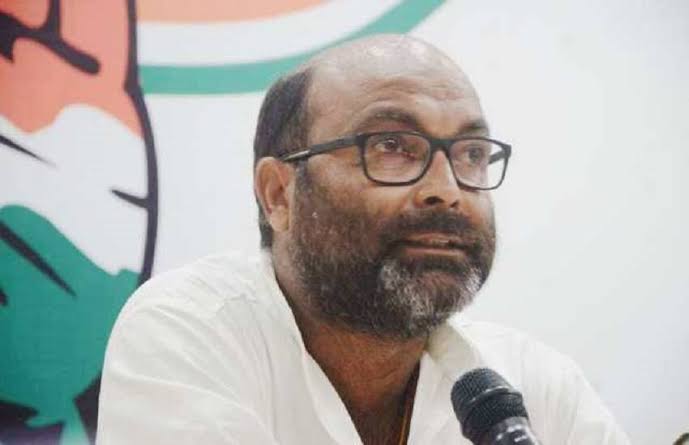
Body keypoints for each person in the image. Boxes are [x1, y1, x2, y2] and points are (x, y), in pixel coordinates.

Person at [97, 34, 629, 444]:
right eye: (391, 146)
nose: (447, 191)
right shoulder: (188, 334)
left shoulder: (537, 385)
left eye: (471, 153)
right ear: (279, 194)